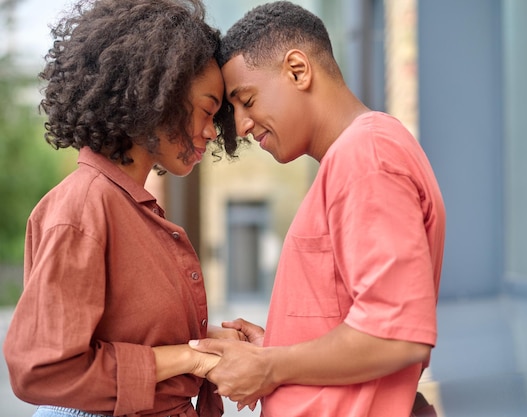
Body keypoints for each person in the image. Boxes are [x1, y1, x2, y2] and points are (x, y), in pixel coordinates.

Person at [188, 1, 446, 416]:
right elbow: (358, 319)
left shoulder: (366, 156)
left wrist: (269, 366)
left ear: (297, 70)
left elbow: (397, 335)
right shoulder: (359, 156)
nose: (242, 127)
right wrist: (278, 346)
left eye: (247, 100)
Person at [2, 0, 242, 416]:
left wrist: (212, 344)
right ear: (157, 95)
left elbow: (135, 338)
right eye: (207, 110)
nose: (209, 132)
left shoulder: (130, 206)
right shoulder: (83, 207)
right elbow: (42, 369)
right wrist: (192, 359)